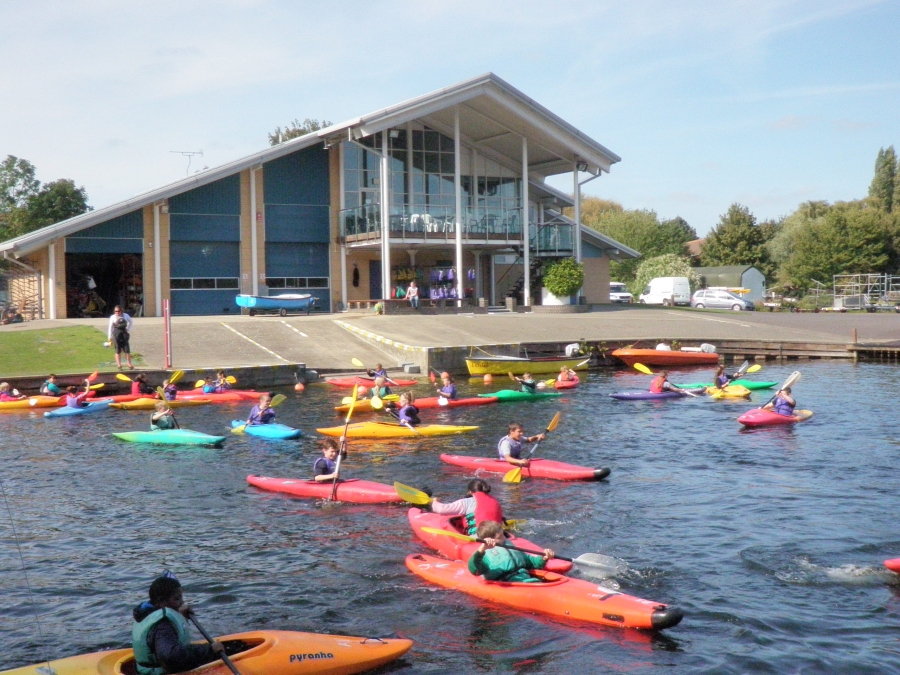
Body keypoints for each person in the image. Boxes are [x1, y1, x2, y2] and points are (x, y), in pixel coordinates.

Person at [131, 573, 225, 675]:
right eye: (177, 599)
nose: (182, 602)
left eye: (181, 598)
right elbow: (170, 657)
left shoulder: (146, 613)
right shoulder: (162, 625)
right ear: (161, 601)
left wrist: (179, 614)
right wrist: (209, 650)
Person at [468, 520, 554, 584]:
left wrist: (544, 557)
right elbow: (474, 570)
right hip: (509, 585)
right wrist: (481, 549)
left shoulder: (510, 545)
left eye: (503, 534)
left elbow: (533, 563)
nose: (504, 538)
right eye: (500, 536)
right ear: (489, 540)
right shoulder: (486, 556)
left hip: (528, 581)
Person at [430, 479, 505, 536]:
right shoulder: (495, 501)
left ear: (469, 491)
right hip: (498, 536)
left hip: (479, 538)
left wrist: (435, 501)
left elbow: (441, 509)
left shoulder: (467, 502)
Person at [107, 305, 134, 370]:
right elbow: (110, 327)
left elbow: (131, 322)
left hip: (124, 333)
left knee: (127, 350)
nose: (117, 313)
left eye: (118, 311)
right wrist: (109, 337)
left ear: (121, 311)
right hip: (116, 334)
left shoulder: (125, 315)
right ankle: (119, 365)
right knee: (118, 350)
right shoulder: (112, 317)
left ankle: (129, 364)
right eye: (116, 311)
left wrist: (128, 329)